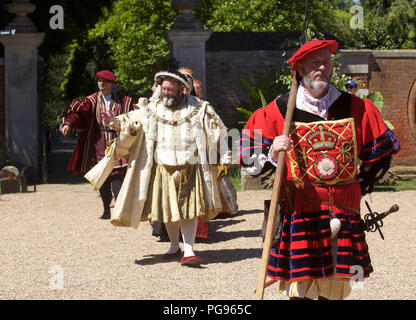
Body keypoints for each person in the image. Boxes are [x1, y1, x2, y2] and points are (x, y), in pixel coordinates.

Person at [239, 40, 400, 300]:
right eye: (315, 63)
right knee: (301, 285)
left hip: (343, 209)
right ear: (300, 69)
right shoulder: (278, 110)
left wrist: (359, 182)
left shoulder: (356, 107)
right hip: (300, 209)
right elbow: (247, 159)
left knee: (336, 286)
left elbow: (383, 152)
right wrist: (272, 153)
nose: (323, 68)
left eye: (327, 62)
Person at [85, 70, 231, 266]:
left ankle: (189, 249)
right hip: (163, 166)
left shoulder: (200, 108)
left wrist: (225, 155)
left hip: (191, 166)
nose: (166, 93)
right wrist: (119, 122)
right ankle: (173, 246)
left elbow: (217, 131)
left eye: (170, 89)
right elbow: (133, 117)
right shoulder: (153, 109)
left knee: (188, 210)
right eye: (163, 89)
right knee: (168, 210)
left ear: (182, 89)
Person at [61, 70, 138, 219]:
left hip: (118, 141)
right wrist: (68, 124)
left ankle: (119, 208)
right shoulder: (91, 100)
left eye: (105, 81)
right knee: (103, 175)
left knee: (117, 174)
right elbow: (77, 114)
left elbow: (135, 114)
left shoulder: (123, 101)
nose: (101, 83)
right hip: (99, 142)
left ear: (111, 83)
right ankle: (106, 209)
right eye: (99, 81)